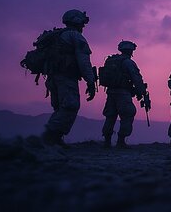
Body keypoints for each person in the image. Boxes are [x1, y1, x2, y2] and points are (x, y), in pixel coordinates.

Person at [41, 9, 96, 147]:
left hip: (53, 77)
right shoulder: (75, 36)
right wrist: (90, 81)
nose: (83, 27)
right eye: (82, 24)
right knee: (71, 106)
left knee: (60, 107)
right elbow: (83, 61)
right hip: (66, 77)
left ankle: (55, 139)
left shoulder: (58, 36)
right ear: (77, 21)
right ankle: (50, 136)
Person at [100, 40, 146, 148]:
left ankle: (107, 141)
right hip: (123, 93)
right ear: (131, 51)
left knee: (110, 116)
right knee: (127, 115)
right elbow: (136, 78)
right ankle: (121, 141)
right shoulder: (128, 62)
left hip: (111, 93)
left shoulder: (111, 61)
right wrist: (141, 91)